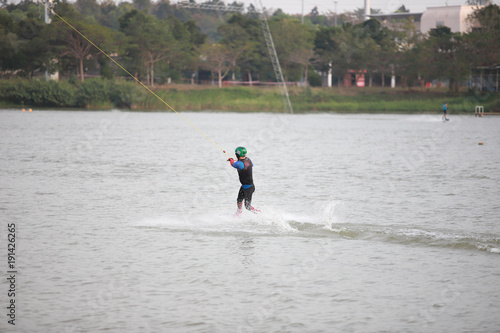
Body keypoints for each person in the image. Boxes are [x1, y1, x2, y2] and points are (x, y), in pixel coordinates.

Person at [227, 146, 259, 216]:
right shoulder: (249, 160)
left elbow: (233, 164)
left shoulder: (239, 164)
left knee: (248, 207)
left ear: (237, 155)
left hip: (249, 188)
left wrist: (231, 159)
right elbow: (250, 165)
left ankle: (260, 214)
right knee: (239, 200)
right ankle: (238, 213)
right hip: (244, 186)